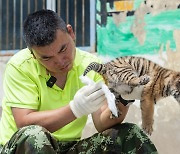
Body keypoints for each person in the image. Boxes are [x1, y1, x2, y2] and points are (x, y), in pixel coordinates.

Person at [0, 9, 158, 154]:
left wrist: (125, 99)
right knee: (34, 135)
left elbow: (102, 123)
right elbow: (24, 122)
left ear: (71, 32)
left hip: (69, 148)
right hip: (22, 149)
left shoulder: (91, 65)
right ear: (33, 55)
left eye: (63, 49)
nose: (60, 61)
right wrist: (75, 109)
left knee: (128, 134)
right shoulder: (20, 66)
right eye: (47, 58)